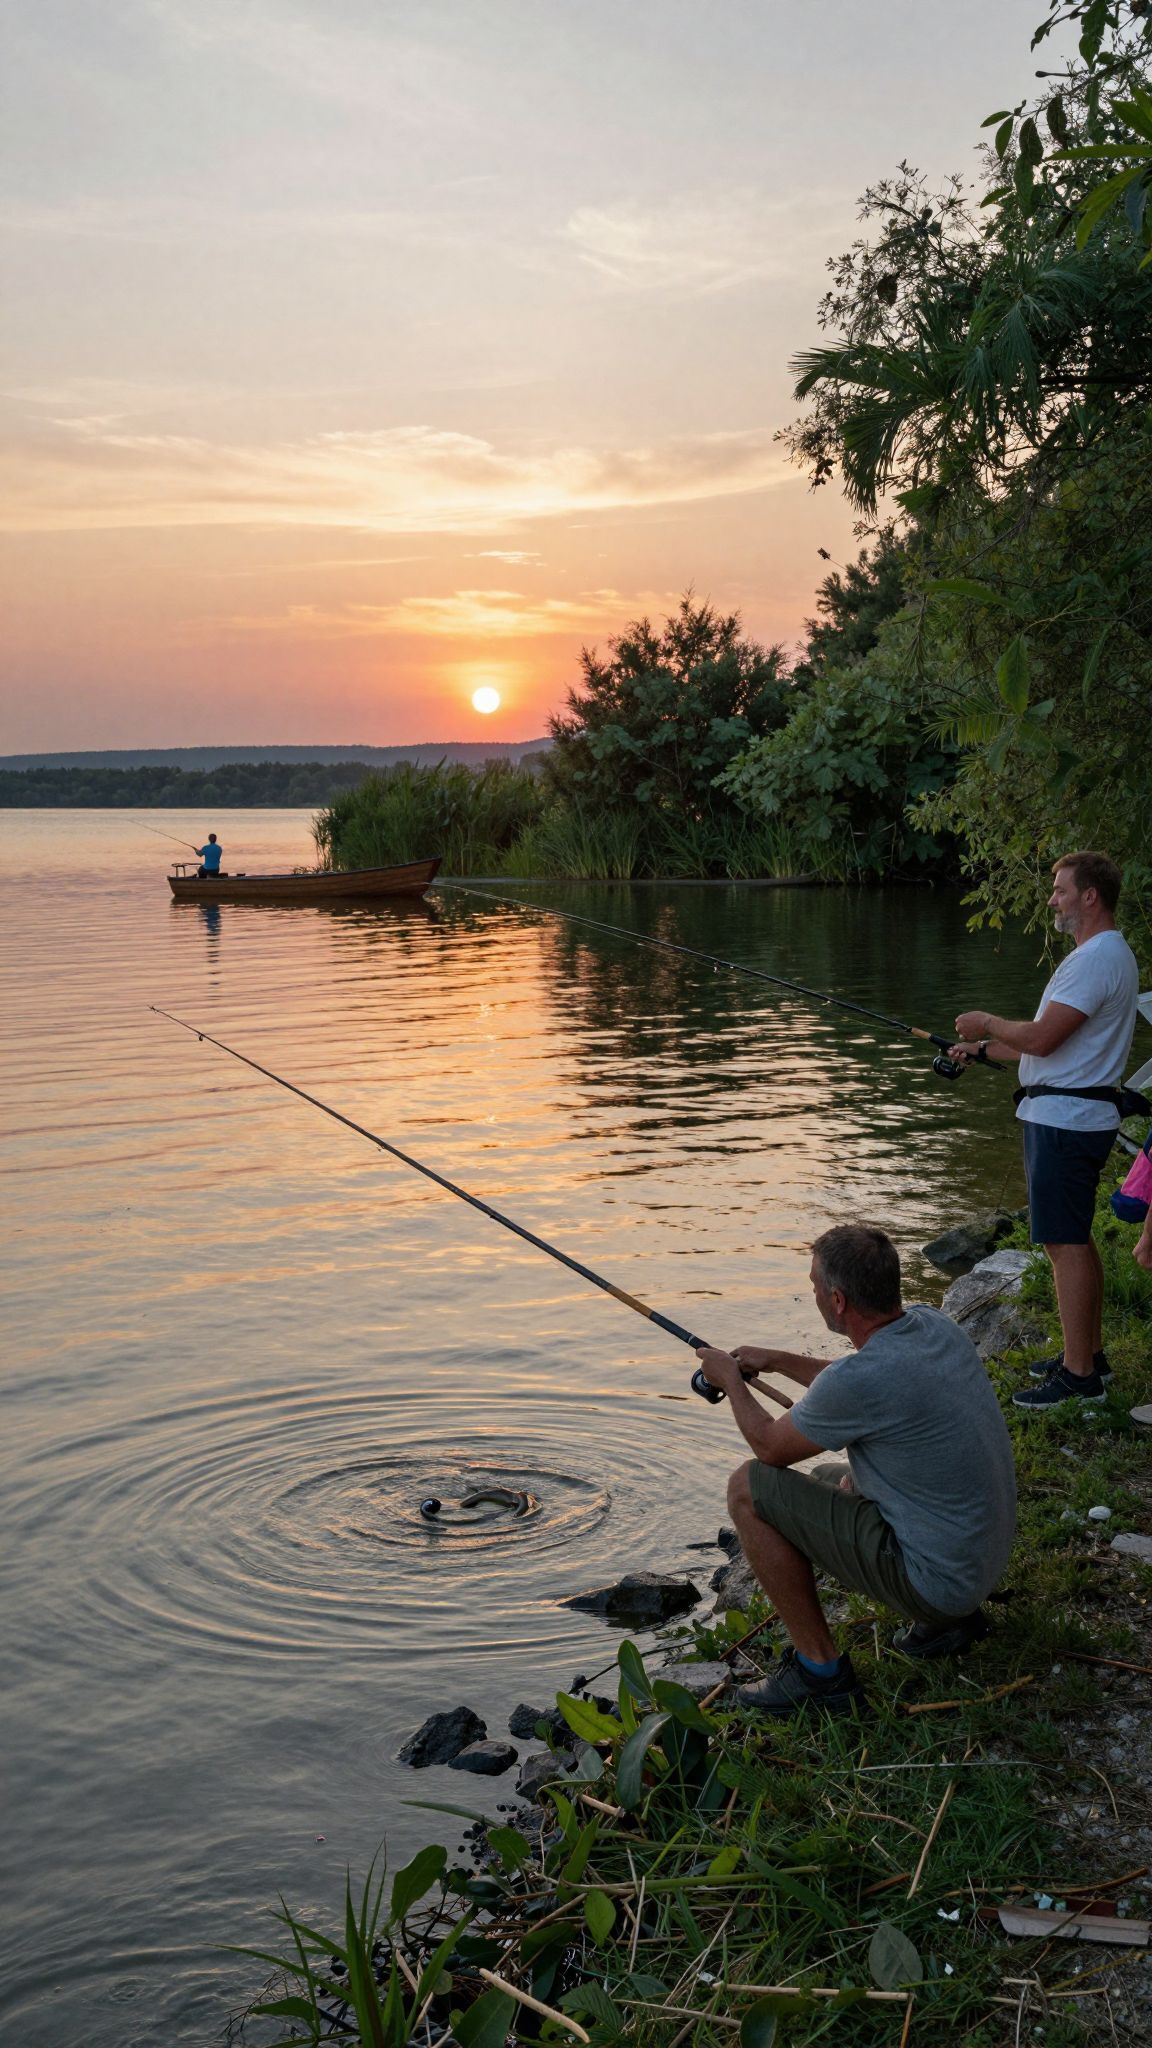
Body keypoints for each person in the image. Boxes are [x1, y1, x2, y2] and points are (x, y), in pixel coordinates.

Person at [694, 1224, 1016, 1719]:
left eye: (815, 1286)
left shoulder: (862, 1379)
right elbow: (854, 1382)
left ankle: (819, 1675)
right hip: (977, 1562)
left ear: (838, 1300)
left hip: (938, 1583)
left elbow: (769, 1449)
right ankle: (951, 1625)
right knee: (827, 1476)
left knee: (747, 1489)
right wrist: (776, 1361)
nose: (814, 1294)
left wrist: (731, 1383)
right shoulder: (935, 1327)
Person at [950, 851, 1139, 1412]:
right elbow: (1039, 1044)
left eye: (1059, 890)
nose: (1052, 899)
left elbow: (1042, 1039)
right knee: (1072, 1238)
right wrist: (981, 1048)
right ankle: (1088, 1358)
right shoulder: (1101, 955)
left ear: (1090, 896)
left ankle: (1079, 1377)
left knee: (1064, 1242)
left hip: (1067, 1121)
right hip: (1066, 1114)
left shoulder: (1097, 958)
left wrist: (986, 1021)